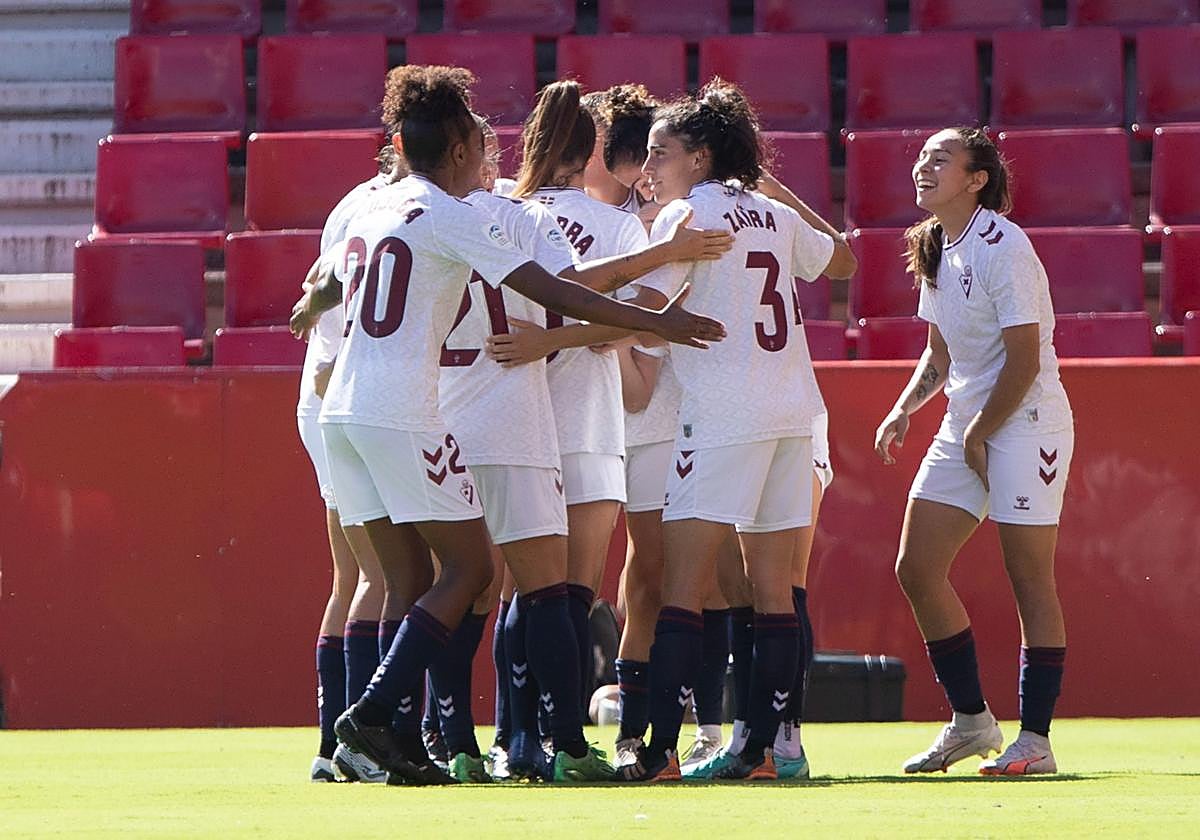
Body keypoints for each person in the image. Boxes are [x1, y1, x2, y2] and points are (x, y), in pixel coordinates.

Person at [290, 64, 725, 787]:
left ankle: (401, 742)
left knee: (405, 584)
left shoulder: (372, 206)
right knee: (486, 574)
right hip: (425, 413)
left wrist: (311, 308)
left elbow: (329, 278)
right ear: (462, 152)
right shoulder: (469, 215)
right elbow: (556, 291)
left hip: (345, 414)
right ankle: (382, 718)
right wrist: (660, 318)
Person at [616, 78, 857, 783]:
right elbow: (839, 259)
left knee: (683, 588)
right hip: (792, 409)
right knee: (775, 591)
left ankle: (660, 751)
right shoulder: (769, 215)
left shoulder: (684, 214)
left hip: (722, 414)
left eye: (661, 151)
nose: (650, 168)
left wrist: (590, 331)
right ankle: (761, 750)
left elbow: (650, 316)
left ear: (699, 154)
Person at [874, 126, 1073, 777]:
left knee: (1029, 578)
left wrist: (979, 430)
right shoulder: (937, 243)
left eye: (941, 158)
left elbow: (1023, 360)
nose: (923, 167)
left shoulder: (1004, 246)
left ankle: (1035, 741)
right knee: (916, 567)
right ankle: (971, 722)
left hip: (1026, 424)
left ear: (977, 178)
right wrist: (906, 409)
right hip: (971, 425)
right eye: (922, 157)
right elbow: (939, 354)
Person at [298, 145, 399, 783]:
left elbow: (315, 288)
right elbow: (330, 306)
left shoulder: (354, 204)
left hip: (330, 395)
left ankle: (332, 745)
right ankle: (356, 738)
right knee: (381, 576)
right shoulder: (393, 208)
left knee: (355, 577)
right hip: (347, 392)